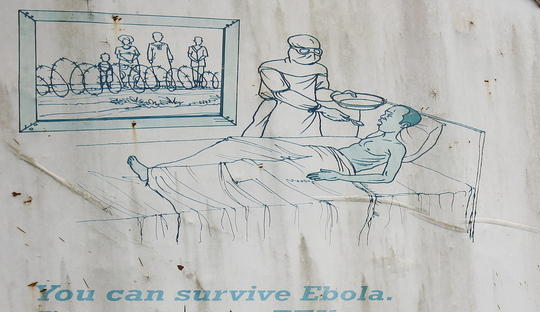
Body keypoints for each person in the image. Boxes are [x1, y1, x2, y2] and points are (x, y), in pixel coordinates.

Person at [126, 104, 422, 204]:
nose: (383, 116)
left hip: (332, 163)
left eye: (390, 115)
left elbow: (385, 178)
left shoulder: (395, 146)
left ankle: (157, 178)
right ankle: (162, 169)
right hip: (323, 151)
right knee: (234, 143)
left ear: (402, 124)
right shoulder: (375, 135)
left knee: (245, 166)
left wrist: (340, 175)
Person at [242, 34, 358, 137]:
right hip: (277, 112)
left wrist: (337, 96)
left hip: (308, 114)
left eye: (316, 52)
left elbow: (318, 91)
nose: (311, 55)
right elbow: (283, 94)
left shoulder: (319, 69)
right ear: (292, 49)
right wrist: (322, 109)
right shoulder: (270, 67)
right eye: (304, 51)